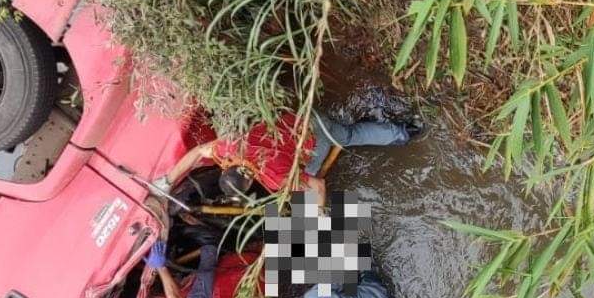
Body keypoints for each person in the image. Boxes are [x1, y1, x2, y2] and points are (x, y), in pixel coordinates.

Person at [161, 109, 421, 204]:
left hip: (317, 135)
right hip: (303, 114)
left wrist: (319, 214)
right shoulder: (228, 147)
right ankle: (388, 126)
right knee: (342, 131)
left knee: (349, 137)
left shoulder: (275, 179)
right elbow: (196, 152)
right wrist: (168, 180)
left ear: (250, 182)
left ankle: (402, 133)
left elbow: (317, 185)